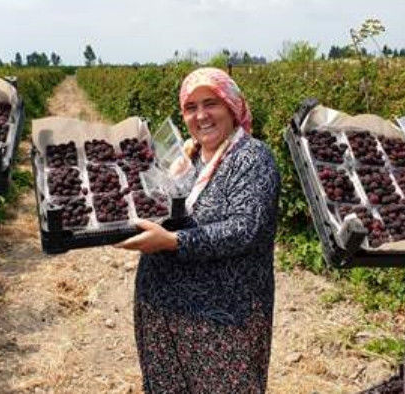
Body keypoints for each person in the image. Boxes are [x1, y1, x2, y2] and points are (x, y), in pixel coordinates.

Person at [116, 67, 281, 393]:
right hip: (163, 308)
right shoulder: (183, 156)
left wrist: (173, 241)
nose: (201, 115)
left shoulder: (251, 157)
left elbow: (244, 229)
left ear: (232, 105)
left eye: (211, 104)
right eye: (191, 107)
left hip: (222, 316)